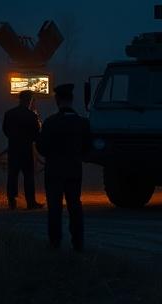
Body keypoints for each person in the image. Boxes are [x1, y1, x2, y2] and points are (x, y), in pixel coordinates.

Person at [37, 83, 91, 251]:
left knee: (54, 208)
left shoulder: (50, 123)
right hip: (74, 170)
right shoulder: (82, 123)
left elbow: (41, 148)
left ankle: (55, 243)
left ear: (57, 100)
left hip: (54, 171)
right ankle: (78, 243)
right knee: (75, 206)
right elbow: (87, 147)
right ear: (72, 100)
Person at [3, 90, 43, 210]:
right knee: (29, 176)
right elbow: (36, 134)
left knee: (12, 176)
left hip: (14, 149)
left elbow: (5, 130)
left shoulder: (9, 113)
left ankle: (12, 201)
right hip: (26, 150)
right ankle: (30, 202)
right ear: (30, 100)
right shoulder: (32, 115)